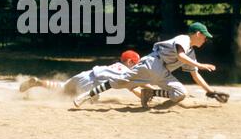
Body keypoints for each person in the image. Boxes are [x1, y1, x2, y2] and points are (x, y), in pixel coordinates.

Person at [73, 22, 218, 108]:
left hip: (162, 73)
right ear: (197, 33)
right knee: (119, 80)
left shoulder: (191, 53)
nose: (205, 39)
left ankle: (150, 92)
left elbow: (195, 74)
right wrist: (200, 64)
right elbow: (180, 55)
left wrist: (211, 92)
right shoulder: (184, 38)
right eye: (205, 36)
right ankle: (86, 95)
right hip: (152, 63)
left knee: (181, 94)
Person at [19, 50, 147, 99]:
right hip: (90, 83)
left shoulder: (114, 65)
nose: (137, 66)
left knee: (63, 88)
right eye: (136, 63)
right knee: (93, 100)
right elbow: (134, 88)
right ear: (130, 62)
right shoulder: (126, 72)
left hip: (84, 74)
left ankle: (38, 83)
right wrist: (145, 96)